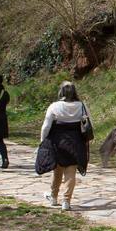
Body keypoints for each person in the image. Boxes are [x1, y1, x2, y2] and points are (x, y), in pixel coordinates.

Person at [40, 81, 91, 210]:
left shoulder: (54, 106)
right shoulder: (81, 106)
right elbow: (88, 122)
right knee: (71, 172)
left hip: (58, 142)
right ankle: (66, 201)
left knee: (57, 171)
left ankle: (53, 196)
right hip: (76, 142)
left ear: (61, 92)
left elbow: (46, 126)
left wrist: (42, 141)